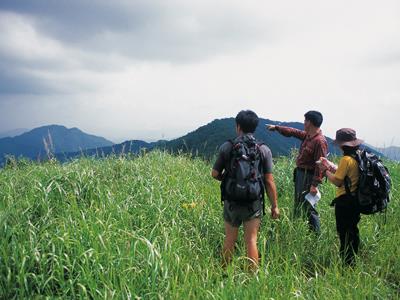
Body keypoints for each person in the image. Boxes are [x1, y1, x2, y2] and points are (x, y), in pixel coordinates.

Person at [212, 110, 280, 270]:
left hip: (232, 201)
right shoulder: (264, 150)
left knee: (230, 238)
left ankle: (223, 274)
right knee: (251, 240)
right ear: (255, 127)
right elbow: (269, 181)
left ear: (238, 126)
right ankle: (252, 278)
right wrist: (274, 205)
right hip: (253, 202)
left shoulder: (227, 146)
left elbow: (215, 174)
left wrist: (229, 180)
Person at [266, 111, 327, 233]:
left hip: (308, 176)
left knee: (309, 207)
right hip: (300, 174)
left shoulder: (319, 141)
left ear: (310, 122)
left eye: (305, 120)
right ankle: (297, 230)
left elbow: (321, 165)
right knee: (299, 203)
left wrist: (314, 185)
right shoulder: (308, 136)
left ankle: (316, 234)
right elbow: (293, 132)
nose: (304, 123)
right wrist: (277, 128)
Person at [319, 128, 362, 266]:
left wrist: (325, 171)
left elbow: (338, 181)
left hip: (345, 201)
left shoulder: (345, 159)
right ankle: (353, 260)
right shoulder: (357, 156)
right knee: (353, 230)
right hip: (356, 200)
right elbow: (346, 175)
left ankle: (346, 263)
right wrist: (330, 166)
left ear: (342, 144)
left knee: (344, 232)